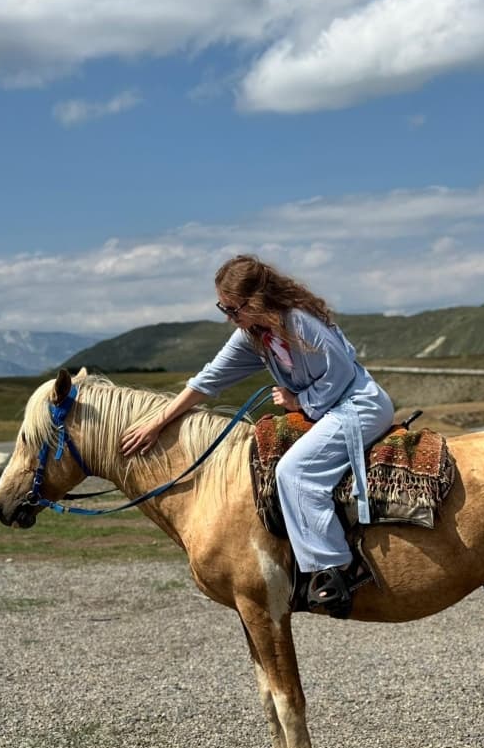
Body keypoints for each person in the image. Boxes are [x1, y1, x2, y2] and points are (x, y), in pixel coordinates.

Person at [121, 254, 394, 617]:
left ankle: (340, 570)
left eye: (233, 308)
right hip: (328, 411)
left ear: (257, 300)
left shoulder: (300, 322)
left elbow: (340, 375)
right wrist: (157, 422)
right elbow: (209, 379)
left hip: (358, 406)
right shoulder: (253, 337)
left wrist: (298, 401)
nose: (229, 317)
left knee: (294, 471)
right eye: (224, 308)